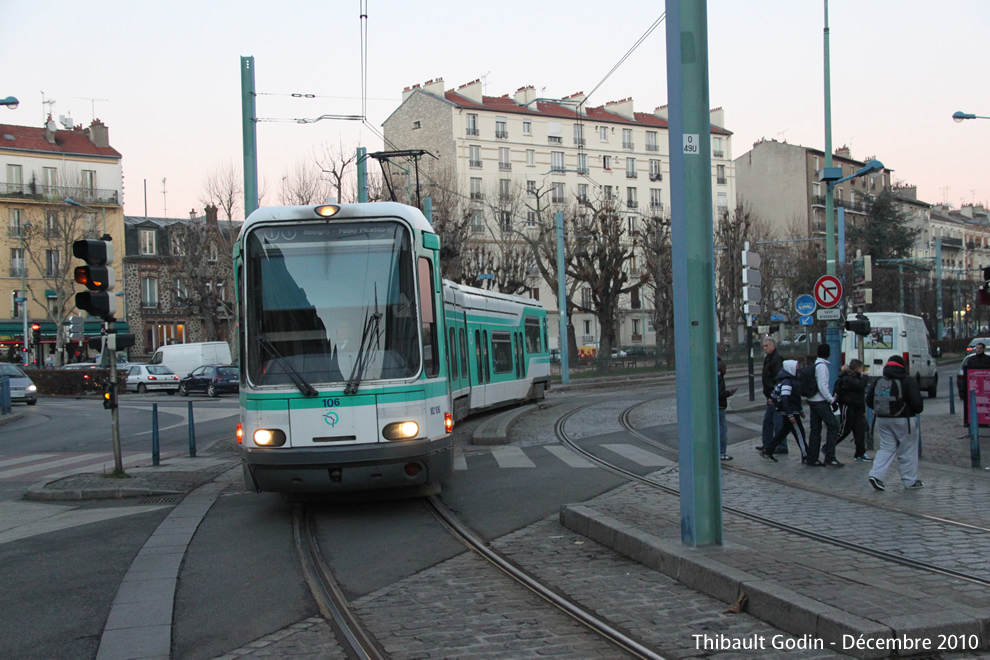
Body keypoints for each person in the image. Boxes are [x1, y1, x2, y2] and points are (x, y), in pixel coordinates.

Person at [866, 354, 925, 490]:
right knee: (907, 449)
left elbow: (869, 400)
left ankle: (876, 475)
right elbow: (917, 404)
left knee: (886, 448)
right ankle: (909, 481)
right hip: (904, 419)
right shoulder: (907, 380)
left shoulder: (879, 380)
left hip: (882, 419)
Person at [761, 359, 808, 462]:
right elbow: (786, 398)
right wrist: (790, 414)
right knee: (799, 433)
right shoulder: (788, 381)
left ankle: (768, 450)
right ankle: (806, 455)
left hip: (791, 411)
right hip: (791, 412)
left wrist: (799, 411)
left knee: (783, 432)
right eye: (796, 367)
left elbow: (794, 398)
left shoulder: (788, 380)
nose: (798, 369)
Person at [806, 343, 841, 466]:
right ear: (828, 353)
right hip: (820, 401)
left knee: (815, 429)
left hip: (812, 400)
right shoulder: (822, 367)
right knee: (833, 426)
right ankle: (830, 456)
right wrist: (831, 400)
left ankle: (812, 457)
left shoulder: (815, 364)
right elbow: (823, 386)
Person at [834, 359, 871, 462]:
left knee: (860, 431)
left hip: (857, 408)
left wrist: (863, 410)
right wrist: (865, 378)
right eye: (861, 368)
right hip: (848, 407)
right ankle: (828, 446)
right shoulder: (847, 378)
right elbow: (859, 387)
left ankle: (860, 453)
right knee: (844, 430)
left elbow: (860, 395)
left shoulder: (856, 377)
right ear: (857, 368)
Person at [760, 337, 786, 454]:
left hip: (774, 395)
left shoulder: (777, 359)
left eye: (767, 346)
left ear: (773, 346)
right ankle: (768, 444)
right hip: (770, 394)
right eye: (764, 346)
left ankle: (781, 445)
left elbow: (778, 378)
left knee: (778, 421)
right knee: (768, 420)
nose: (764, 348)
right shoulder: (769, 358)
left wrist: (774, 395)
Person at [958, 342, 990, 422]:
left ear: (983, 349)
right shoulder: (972, 359)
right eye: (977, 348)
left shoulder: (988, 359)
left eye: (980, 348)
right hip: (974, 385)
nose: (978, 350)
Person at [717, 358, 737, 461]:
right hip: (719, 407)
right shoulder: (719, 378)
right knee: (722, 431)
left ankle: (718, 451)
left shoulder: (714, 376)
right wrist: (730, 392)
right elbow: (720, 394)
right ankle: (722, 452)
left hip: (715, 407)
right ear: (722, 369)